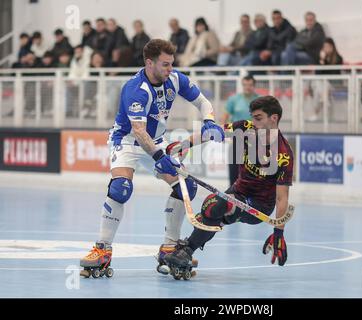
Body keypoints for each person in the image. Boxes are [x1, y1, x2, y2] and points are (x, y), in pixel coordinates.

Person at [79, 39, 224, 277]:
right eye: (165, 65)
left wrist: (209, 120)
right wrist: (159, 156)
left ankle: (169, 247)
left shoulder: (175, 79)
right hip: (126, 141)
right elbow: (138, 131)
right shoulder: (136, 89)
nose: (170, 69)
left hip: (156, 140)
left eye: (171, 64)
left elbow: (202, 101)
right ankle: (102, 249)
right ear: (149, 63)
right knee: (120, 188)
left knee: (185, 186)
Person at [164, 95, 294, 275]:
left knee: (215, 204)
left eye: (258, 118)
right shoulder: (245, 128)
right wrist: (185, 144)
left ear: (274, 118)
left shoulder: (283, 154)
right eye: (252, 117)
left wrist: (279, 233)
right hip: (238, 191)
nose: (253, 122)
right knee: (210, 211)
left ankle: (185, 251)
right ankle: (185, 252)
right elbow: (212, 132)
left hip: (259, 207)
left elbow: (282, 198)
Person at [221, 75, 259, 186]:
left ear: (254, 86)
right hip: (236, 141)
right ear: (242, 85)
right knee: (234, 174)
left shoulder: (259, 100)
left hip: (253, 142)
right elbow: (225, 117)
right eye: (245, 85)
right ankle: (232, 199)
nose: (247, 87)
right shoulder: (234, 99)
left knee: (251, 174)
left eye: (250, 85)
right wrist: (224, 133)